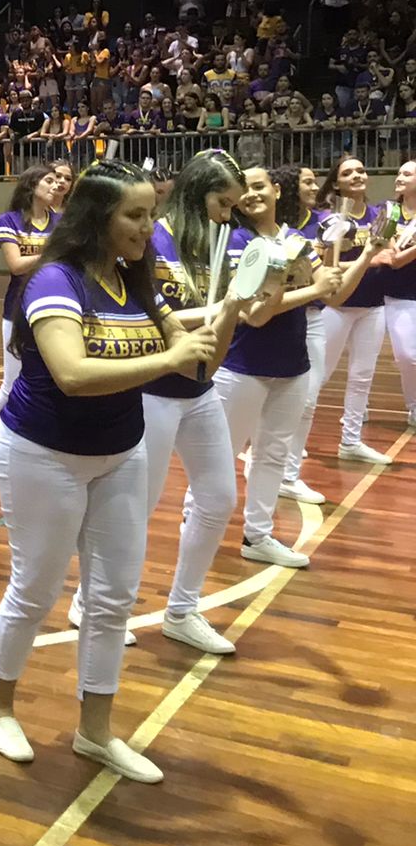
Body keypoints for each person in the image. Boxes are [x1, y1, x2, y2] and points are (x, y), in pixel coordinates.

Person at [0, 159, 216, 784]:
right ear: (97, 218)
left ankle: (96, 731)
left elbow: (197, 363)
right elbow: (73, 374)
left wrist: (237, 311)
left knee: (113, 598)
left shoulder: (136, 280)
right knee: (35, 590)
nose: (148, 227)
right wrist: (170, 356)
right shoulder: (54, 280)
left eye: (151, 214)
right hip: (43, 454)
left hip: (121, 452)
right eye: (134, 215)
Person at [123, 150, 253, 654]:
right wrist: (218, 308)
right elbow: (143, 314)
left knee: (219, 498)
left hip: (199, 389)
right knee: (136, 508)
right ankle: (94, 601)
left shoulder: (213, 243)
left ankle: (181, 610)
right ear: (198, 194)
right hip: (152, 390)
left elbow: (219, 321)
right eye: (223, 203)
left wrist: (239, 305)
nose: (228, 214)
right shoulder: (152, 239)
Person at [217, 165, 348, 572]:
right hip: (242, 365)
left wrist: (347, 263)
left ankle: (258, 535)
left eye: (259, 186)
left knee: (272, 454)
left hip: (292, 364)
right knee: (222, 455)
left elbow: (332, 292)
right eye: (244, 190)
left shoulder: (297, 240)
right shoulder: (236, 241)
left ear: (276, 190)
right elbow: (253, 313)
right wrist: (312, 289)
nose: (252, 195)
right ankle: (195, 519)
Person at [297, 154, 391, 470]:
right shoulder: (329, 218)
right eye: (348, 173)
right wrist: (368, 260)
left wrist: (377, 257)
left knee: (362, 376)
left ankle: (351, 441)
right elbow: (327, 266)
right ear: (336, 183)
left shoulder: (379, 214)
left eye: (361, 170)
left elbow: (388, 252)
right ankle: (285, 440)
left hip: (373, 305)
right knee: (316, 378)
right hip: (336, 306)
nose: (357, 176)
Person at [0, 165, 63, 469]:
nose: (55, 185)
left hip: (55, 309)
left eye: (58, 181)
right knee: (11, 382)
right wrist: (55, 251)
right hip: (18, 310)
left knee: (53, 379)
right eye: (49, 180)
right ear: (31, 185)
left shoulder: (61, 222)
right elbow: (16, 265)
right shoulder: (9, 221)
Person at [379, 160, 416, 429]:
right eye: (399, 173)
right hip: (397, 294)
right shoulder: (388, 210)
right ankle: (414, 406)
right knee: (407, 356)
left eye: (407, 174)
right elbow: (394, 260)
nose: (399, 177)